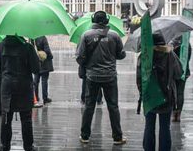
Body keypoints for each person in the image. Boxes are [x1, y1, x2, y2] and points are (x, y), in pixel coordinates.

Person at [76, 10, 127, 145]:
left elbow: (79, 57)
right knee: (113, 106)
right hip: (110, 76)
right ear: (106, 21)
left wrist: (87, 64)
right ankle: (117, 137)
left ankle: (85, 136)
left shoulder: (86, 35)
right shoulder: (114, 36)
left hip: (92, 77)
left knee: (89, 106)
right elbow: (121, 55)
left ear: (93, 20)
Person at [0, 35, 40, 151]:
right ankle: (28, 147)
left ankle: (5, 146)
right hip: (24, 86)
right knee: (26, 118)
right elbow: (36, 69)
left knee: (6, 118)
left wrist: (4, 78)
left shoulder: (0, 47)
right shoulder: (27, 47)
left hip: (7, 86)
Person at [137, 34, 183, 151]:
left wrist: (143, 92)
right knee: (165, 127)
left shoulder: (144, 56)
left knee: (149, 126)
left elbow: (139, 78)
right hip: (166, 96)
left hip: (150, 96)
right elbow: (179, 73)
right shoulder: (170, 55)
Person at [171, 36, 192, 122]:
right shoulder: (187, 45)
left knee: (172, 92)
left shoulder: (172, 45)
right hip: (184, 71)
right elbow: (188, 58)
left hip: (173, 72)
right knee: (180, 92)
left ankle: (173, 113)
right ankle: (178, 114)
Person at [32, 36, 54, 104]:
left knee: (36, 81)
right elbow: (47, 50)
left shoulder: (33, 38)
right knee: (44, 81)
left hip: (36, 63)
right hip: (44, 63)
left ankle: (35, 97)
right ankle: (45, 98)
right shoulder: (43, 38)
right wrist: (51, 56)